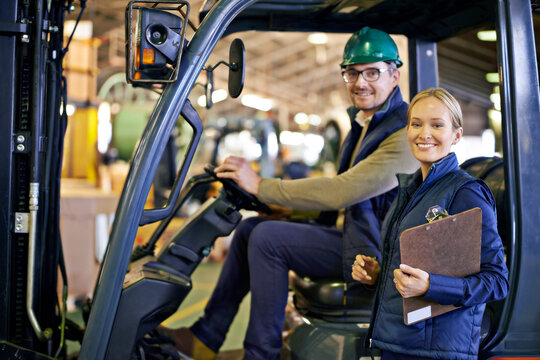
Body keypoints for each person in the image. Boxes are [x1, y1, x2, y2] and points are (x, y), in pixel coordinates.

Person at [160, 27, 419, 359]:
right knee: (251, 229)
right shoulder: (365, 125)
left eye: (372, 72)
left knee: (269, 239)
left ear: (394, 75)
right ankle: (205, 337)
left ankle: (261, 353)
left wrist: (261, 186)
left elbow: (343, 191)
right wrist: (285, 210)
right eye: (352, 73)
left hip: (370, 253)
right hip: (352, 236)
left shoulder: (402, 133)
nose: (360, 82)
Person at [352, 88, 509, 360]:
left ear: (456, 135)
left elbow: (496, 281)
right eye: (416, 124)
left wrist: (430, 287)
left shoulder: (465, 193)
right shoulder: (410, 190)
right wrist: (378, 275)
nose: (424, 133)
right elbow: (415, 267)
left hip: (434, 351)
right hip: (398, 342)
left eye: (437, 125)